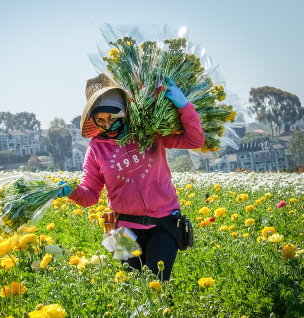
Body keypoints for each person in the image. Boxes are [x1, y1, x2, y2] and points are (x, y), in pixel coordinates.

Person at [57, 73, 205, 281]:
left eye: (112, 118)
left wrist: (184, 105)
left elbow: (194, 140)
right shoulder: (96, 149)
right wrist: (71, 191)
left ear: (125, 112)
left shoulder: (149, 131)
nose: (107, 125)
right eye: (100, 120)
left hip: (163, 223)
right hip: (121, 231)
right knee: (132, 289)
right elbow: (90, 194)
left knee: (157, 283)